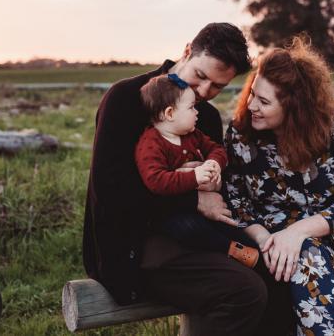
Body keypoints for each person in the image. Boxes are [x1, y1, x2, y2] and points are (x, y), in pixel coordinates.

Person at [82, 22, 294, 336]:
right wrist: (193, 198)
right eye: (201, 76)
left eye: (218, 87)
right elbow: (112, 194)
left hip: (193, 235)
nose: (205, 92)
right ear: (186, 52)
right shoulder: (126, 99)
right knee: (245, 291)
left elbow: (218, 178)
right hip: (135, 243)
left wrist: (211, 184)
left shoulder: (204, 116)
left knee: (274, 271)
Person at [224, 35, 334, 335]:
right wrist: (266, 239)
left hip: (332, 233)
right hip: (269, 233)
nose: (251, 105)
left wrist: (299, 232)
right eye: (252, 93)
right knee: (303, 260)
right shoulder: (241, 135)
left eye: (264, 101)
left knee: (307, 257)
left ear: (295, 106)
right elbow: (236, 202)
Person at [135, 73, 259, 268]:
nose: (197, 112)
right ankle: (229, 250)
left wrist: (214, 163)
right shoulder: (151, 143)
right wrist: (194, 177)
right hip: (176, 211)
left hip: (207, 206)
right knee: (189, 228)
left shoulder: (193, 135)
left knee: (226, 222)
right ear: (169, 113)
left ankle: (249, 250)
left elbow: (217, 149)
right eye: (191, 107)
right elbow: (156, 180)